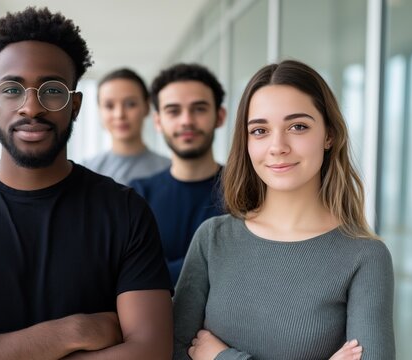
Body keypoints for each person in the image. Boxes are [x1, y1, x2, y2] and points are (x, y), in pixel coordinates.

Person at [0, 7, 173, 360]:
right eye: (12, 90)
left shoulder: (125, 211)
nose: (32, 107)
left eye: (52, 90)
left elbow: (151, 352)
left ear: (75, 105)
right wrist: (70, 332)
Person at [172, 60, 394, 360]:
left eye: (298, 126)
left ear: (328, 135)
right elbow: (173, 351)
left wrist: (223, 357)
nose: (278, 146)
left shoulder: (364, 255)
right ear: (246, 142)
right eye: (260, 130)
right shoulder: (213, 240)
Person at [130, 63, 226, 285]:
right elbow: (134, 275)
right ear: (158, 121)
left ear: (220, 116)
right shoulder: (138, 194)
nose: (186, 121)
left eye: (199, 108)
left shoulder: (246, 189)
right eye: (173, 111)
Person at [84, 68, 170, 185]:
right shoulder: (85, 172)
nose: (119, 114)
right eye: (109, 106)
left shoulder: (169, 170)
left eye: (130, 104)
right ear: (99, 110)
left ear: (147, 107)